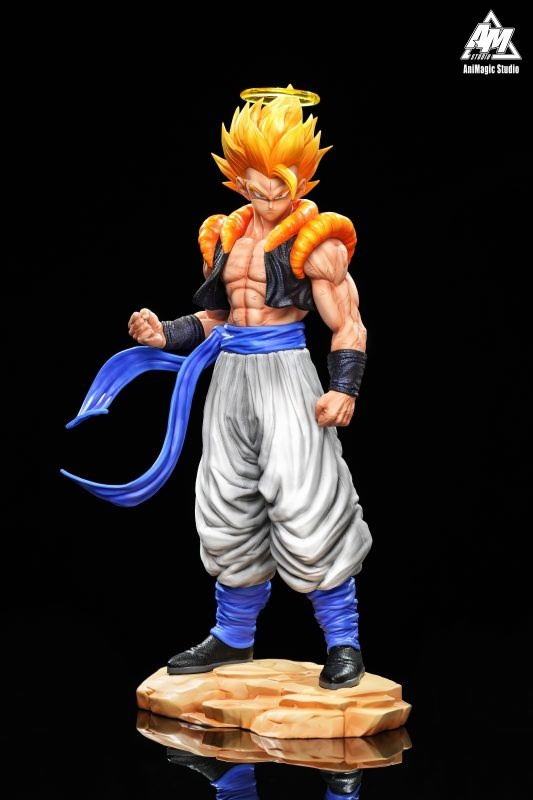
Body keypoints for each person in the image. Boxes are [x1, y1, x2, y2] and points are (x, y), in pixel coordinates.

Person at [62, 88, 372, 690]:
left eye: (278, 181)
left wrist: (345, 388)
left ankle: (343, 640)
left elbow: (349, 323)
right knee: (226, 502)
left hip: (285, 376)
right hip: (230, 376)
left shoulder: (319, 242)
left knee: (308, 500)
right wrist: (164, 334)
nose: (265, 192)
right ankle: (232, 635)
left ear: (300, 175)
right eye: (255, 179)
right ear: (238, 171)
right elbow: (218, 318)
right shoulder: (226, 235)